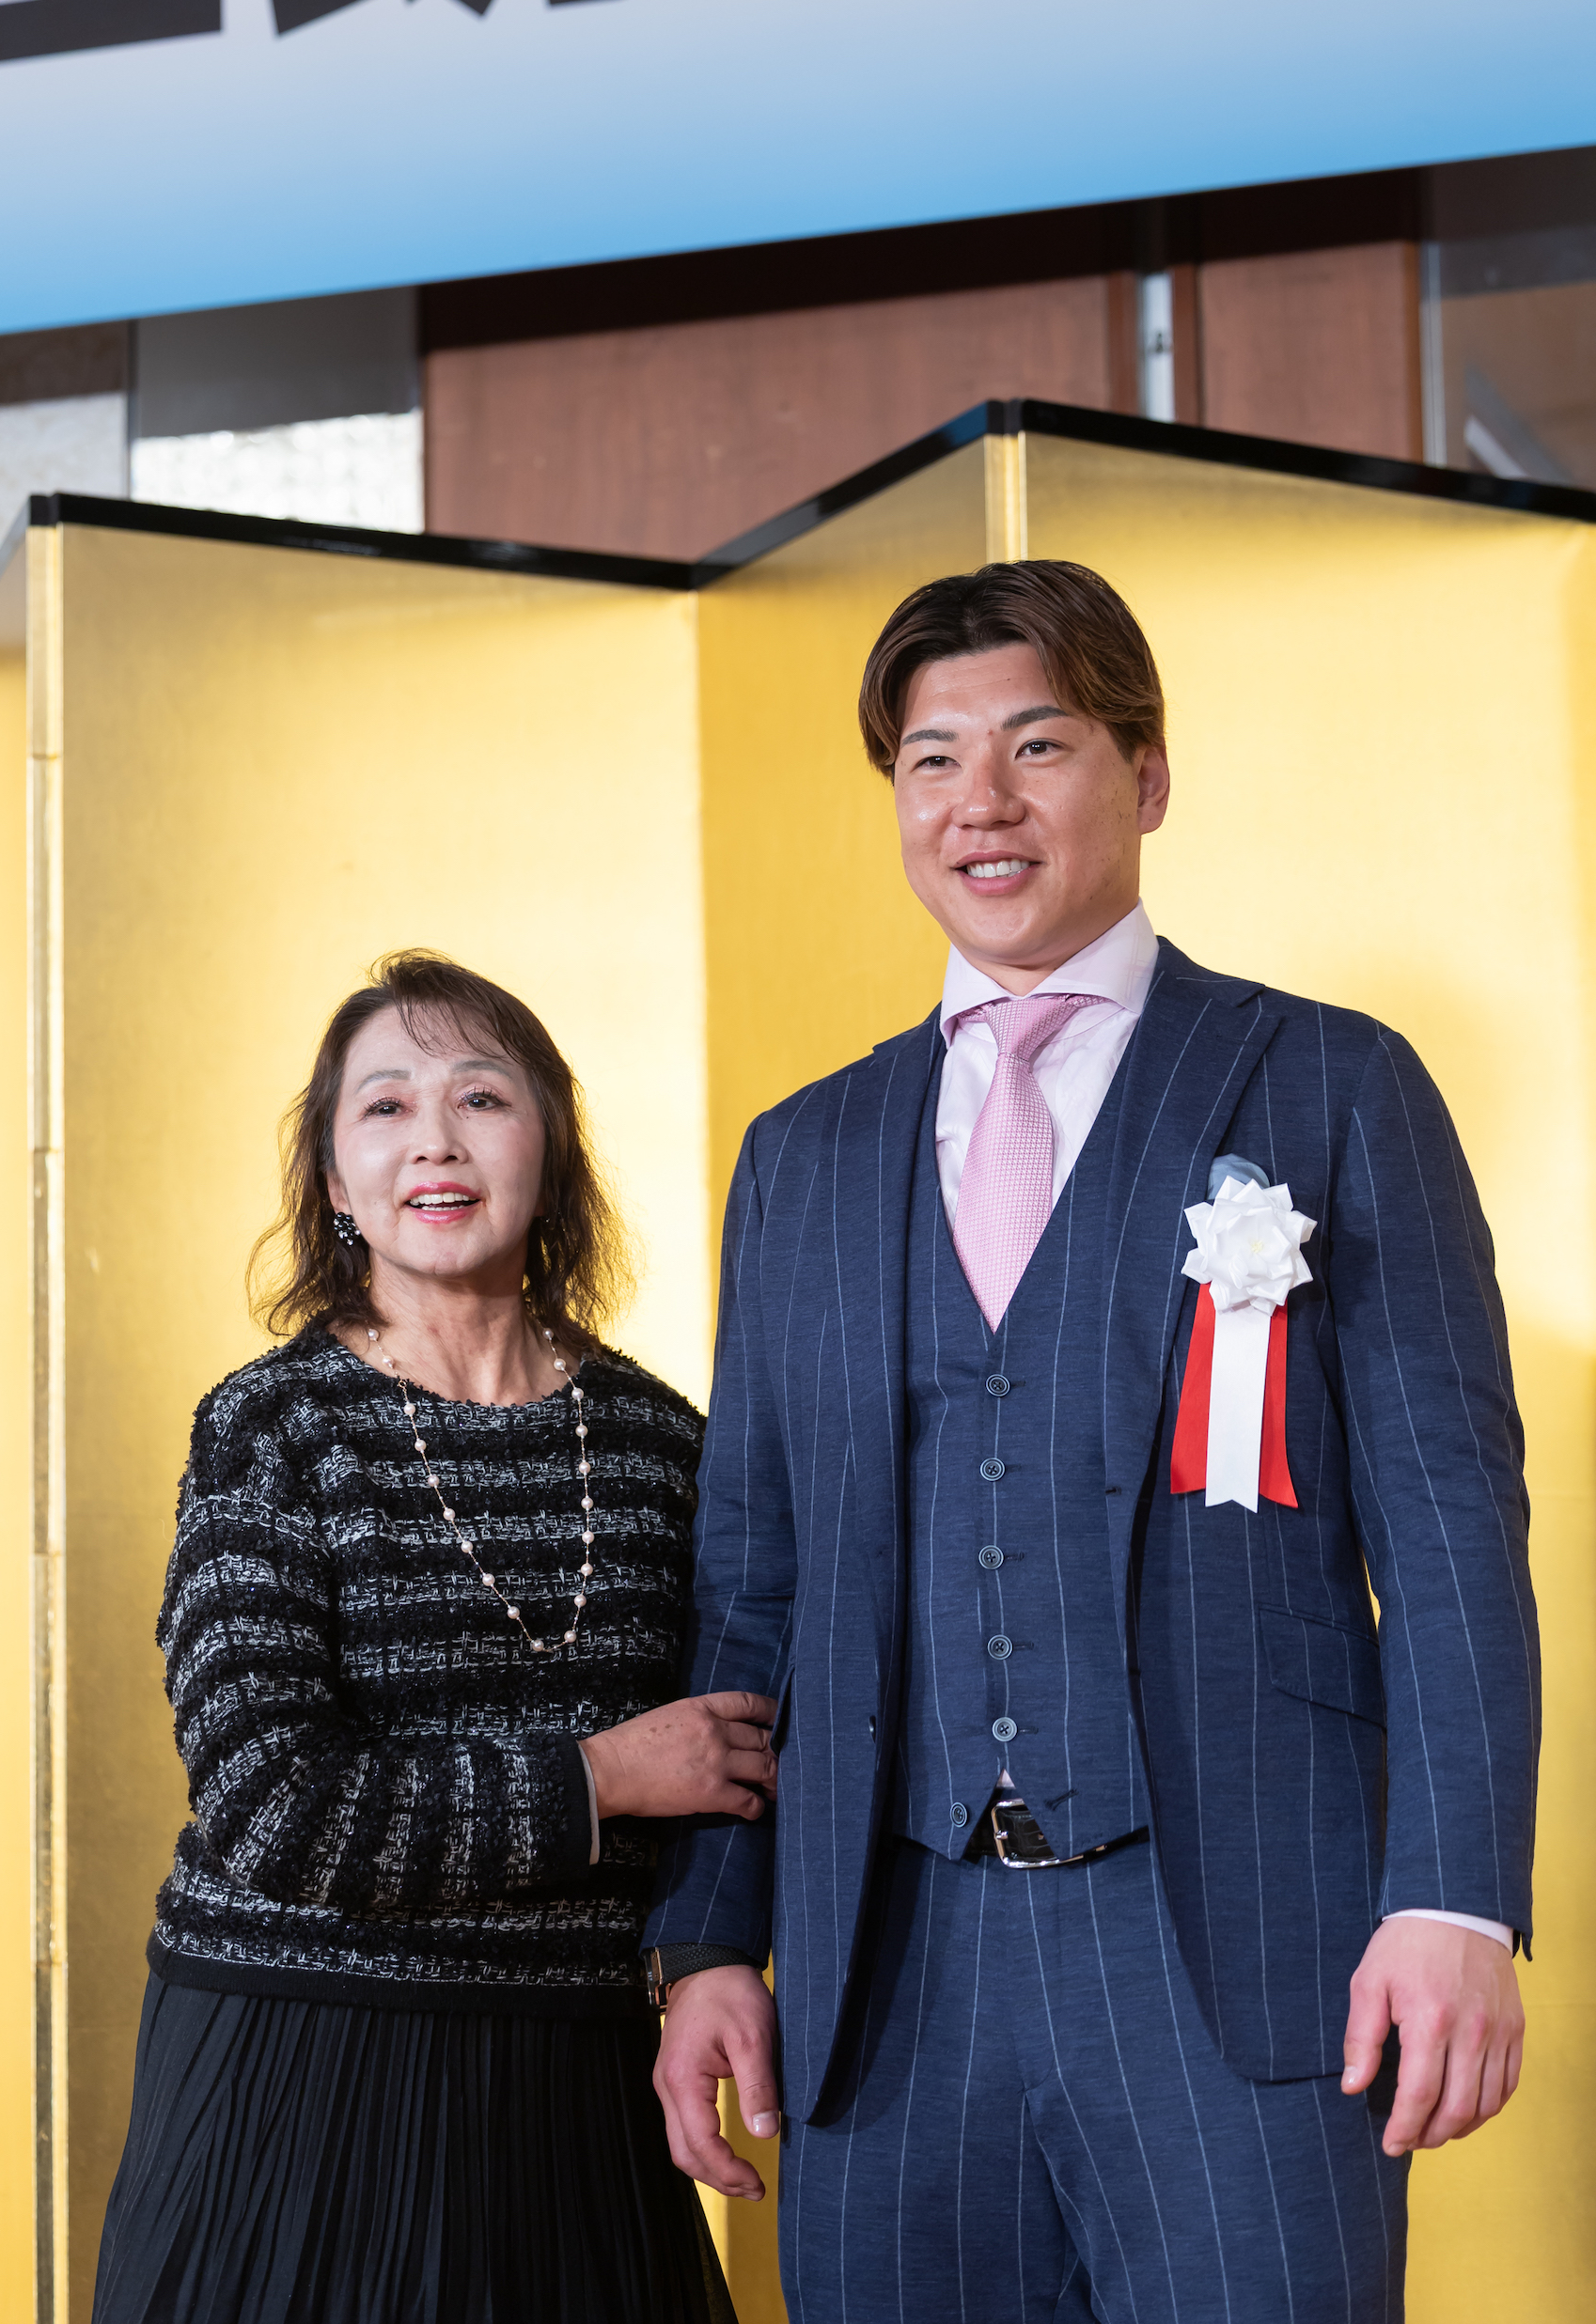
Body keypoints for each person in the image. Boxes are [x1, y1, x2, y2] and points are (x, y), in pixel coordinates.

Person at [642, 560, 1539, 2324]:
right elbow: (753, 1588)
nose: (979, 801)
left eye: (1037, 745)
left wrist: (1456, 1899)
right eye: (932, 759)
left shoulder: (1333, 1085)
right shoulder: (800, 1156)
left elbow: (1449, 1532)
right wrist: (709, 1938)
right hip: (882, 1980)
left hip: (1246, 1958)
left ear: (1148, 774)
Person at [92, 950, 775, 2324]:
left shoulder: (665, 1444)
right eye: (386, 1107)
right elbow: (271, 1803)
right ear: (335, 1185)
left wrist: (707, 1952)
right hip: (298, 2070)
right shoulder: (271, 1427)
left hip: (575, 2088)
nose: (436, 1142)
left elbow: (735, 1758)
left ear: (552, 1153)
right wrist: (599, 1779)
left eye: (481, 1097)